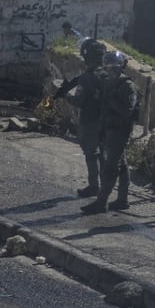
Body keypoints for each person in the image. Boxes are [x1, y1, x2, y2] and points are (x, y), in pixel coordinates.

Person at [82, 50, 137, 213]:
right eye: (108, 68)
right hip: (108, 129)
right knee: (122, 165)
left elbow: (127, 111)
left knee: (111, 167)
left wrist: (112, 100)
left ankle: (101, 202)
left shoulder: (127, 85)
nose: (110, 71)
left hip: (120, 131)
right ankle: (122, 200)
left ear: (121, 68)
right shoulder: (108, 83)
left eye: (114, 68)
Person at [53, 38, 109, 198]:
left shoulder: (87, 77)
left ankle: (94, 186)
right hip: (105, 120)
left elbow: (78, 101)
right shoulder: (107, 75)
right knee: (104, 153)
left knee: (91, 154)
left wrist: (65, 96)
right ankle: (106, 186)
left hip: (89, 120)